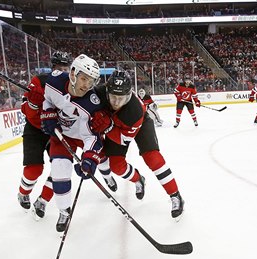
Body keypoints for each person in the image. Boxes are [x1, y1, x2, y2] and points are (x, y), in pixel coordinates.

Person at [91, 70, 185, 221]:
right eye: (113, 97)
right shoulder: (98, 93)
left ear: (128, 96)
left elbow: (124, 140)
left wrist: (108, 128)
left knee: (153, 158)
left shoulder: (135, 111)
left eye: (120, 98)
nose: (116, 102)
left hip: (138, 125)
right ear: (107, 92)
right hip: (115, 126)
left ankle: (176, 195)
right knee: (116, 166)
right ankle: (138, 179)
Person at [40, 54, 115, 232]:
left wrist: (89, 157)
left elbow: (92, 137)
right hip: (62, 135)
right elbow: (48, 100)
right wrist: (48, 112)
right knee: (59, 168)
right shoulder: (54, 82)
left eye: (91, 82)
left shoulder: (91, 103)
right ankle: (64, 210)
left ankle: (108, 176)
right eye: (83, 79)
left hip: (82, 135)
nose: (86, 86)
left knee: (101, 158)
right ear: (73, 73)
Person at [17, 51, 72, 220]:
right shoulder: (38, 81)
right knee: (34, 169)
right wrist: (33, 103)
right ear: (52, 67)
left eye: (65, 68)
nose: (62, 71)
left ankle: (43, 201)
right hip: (35, 129)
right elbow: (26, 111)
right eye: (59, 67)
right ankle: (23, 193)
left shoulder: (70, 84)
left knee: (59, 169)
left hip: (55, 130)